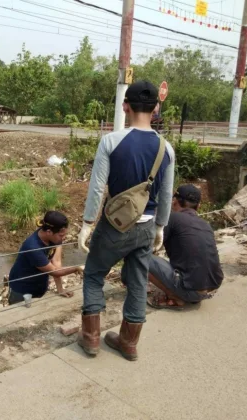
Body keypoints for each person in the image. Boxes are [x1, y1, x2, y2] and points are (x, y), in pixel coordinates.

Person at [77, 80, 175, 361]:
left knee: (94, 274)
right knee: (138, 281)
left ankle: (92, 338)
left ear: (125, 106)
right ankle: (129, 343)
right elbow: (167, 194)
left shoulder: (111, 141)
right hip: (146, 227)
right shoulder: (166, 148)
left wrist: (87, 223)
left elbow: (97, 188)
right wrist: (160, 227)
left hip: (113, 226)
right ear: (156, 108)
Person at [147, 184, 224, 310]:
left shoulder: (172, 218)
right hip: (211, 288)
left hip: (190, 290)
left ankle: (175, 296)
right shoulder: (206, 224)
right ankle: (187, 293)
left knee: (140, 256)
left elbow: (150, 246)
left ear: (175, 202)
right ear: (198, 206)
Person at [8, 211, 83, 305]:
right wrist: (77, 268)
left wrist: (60, 289)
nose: (64, 238)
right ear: (49, 232)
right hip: (22, 290)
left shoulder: (55, 238)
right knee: (21, 316)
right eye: (61, 235)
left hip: (40, 286)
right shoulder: (33, 247)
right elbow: (55, 271)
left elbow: (56, 263)